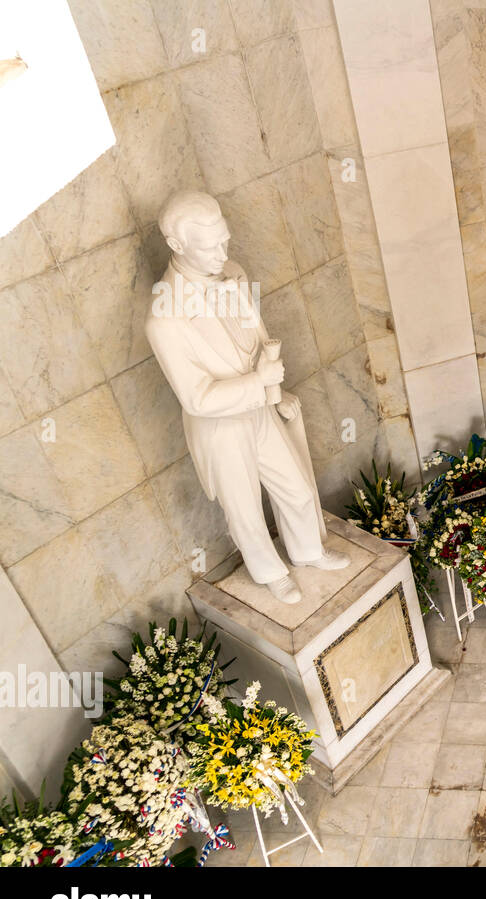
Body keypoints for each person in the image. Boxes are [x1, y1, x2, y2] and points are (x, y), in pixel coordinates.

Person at [146, 191, 350, 605]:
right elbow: (197, 399)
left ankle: (308, 550)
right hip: (220, 427)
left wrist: (276, 393)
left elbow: (257, 340)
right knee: (243, 509)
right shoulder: (164, 319)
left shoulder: (234, 273)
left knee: (295, 488)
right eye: (211, 246)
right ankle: (270, 573)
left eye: (225, 239)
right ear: (177, 245)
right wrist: (259, 384)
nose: (224, 253)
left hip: (260, 409)